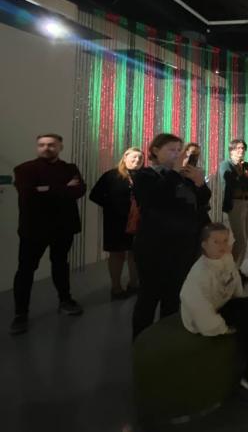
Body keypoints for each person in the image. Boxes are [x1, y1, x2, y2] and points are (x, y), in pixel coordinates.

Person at [180, 223, 248, 401]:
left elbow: (235, 283)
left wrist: (241, 301)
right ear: (204, 244)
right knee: (246, 317)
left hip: (223, 304)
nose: (222, 246)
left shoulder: (226, 258)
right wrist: (223, 328)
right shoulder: (199, 274)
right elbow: (199, 310)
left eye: (225, 241)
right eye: (216, 242)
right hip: (204, 320)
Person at [131, 133, 211, 339]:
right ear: (155, 150)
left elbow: (201, 201)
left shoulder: (183, 175)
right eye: (171, 150)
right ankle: (141, 342)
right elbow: (155, 198)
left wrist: (200, 184)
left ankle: (167, 340)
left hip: (183, 245)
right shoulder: (145, 175)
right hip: (154, 246)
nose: (176, 154)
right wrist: (175, 173)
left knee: (174, 296)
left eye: (178, 150)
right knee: (149, 297)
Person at [10, 134, 86, 335]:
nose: (46, 148)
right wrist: (63, 189)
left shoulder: (70, 168)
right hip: (33, 229)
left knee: (60, 264)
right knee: (26, 270)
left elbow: (79, 190)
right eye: (42, 145)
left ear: (60, 147)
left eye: (51, 145)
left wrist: (44, 190)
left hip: (63, 227)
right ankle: (20, 314)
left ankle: (65, 300)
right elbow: (28, 195)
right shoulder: (24, 169)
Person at [89, 147, 144, 300]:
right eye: (134, 157)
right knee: (117, 254)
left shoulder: (145, 176)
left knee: (135, 254)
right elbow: (95, 195)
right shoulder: (111, 176)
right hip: (116, 222)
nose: (137, 160)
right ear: (125, 157)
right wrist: (112, 207)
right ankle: (116, 288)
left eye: (140, 158)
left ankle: (134, 284)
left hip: (139, 222)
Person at [219, 139, 248, 280]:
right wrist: (244, 178)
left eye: (243, 148)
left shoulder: (246, 165)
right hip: (236, 203)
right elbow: (232, 182)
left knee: (245, 239)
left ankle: (236, 269)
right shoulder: (226, 164)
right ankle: (231, 270)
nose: (241, 150)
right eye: (238, 148)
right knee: (240, 239)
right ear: (231, 150)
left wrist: (242, 178)